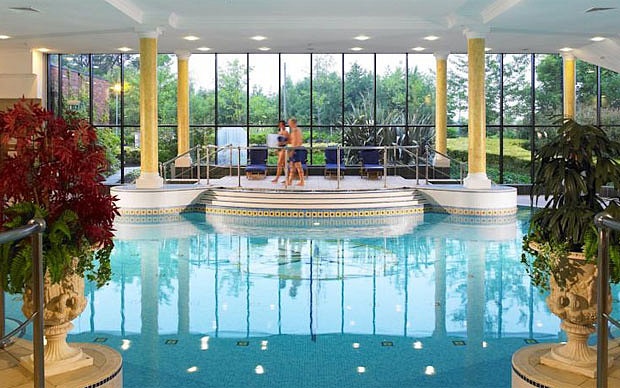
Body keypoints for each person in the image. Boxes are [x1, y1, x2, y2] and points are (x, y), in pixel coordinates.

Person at [285, 117, 305, 186]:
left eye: (289, 122)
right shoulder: (293, 130)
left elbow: (298, 142)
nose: (288, 123)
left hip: (296, 150)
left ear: (293, 123)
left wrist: (293, 150)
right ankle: (289, 181)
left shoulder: (296, 130)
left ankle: (302, 181)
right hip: (294, 149)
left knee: (298, 166)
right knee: (292, 166)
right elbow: (292, 141)